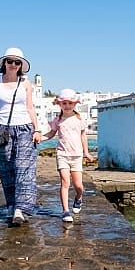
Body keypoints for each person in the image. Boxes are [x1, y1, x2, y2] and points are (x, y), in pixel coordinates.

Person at [0, 47, 42, 224]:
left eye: (17, 62)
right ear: (4, 63)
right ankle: (11, 205)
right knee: (6, 169)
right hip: (3, 129)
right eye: (9, 61)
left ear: (21, 66)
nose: (13, 65)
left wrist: (37, 129)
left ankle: (21, 208)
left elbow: (30, 107)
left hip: (25, 128)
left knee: (23, 167)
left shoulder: (26, 83)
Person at [41, 88, 90, 223]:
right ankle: (65, 211)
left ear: (75, 104)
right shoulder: (58, 120)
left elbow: (83, 136)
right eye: (64, 103)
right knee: (65, 182)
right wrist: (40, 137)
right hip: (62, 154)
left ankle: (78, 198)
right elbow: (51, 134)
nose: (67, 106)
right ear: (59, 104)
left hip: (76, 156)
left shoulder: (79, 119)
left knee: (78, 185)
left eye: (70, 103)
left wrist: (86, 152)